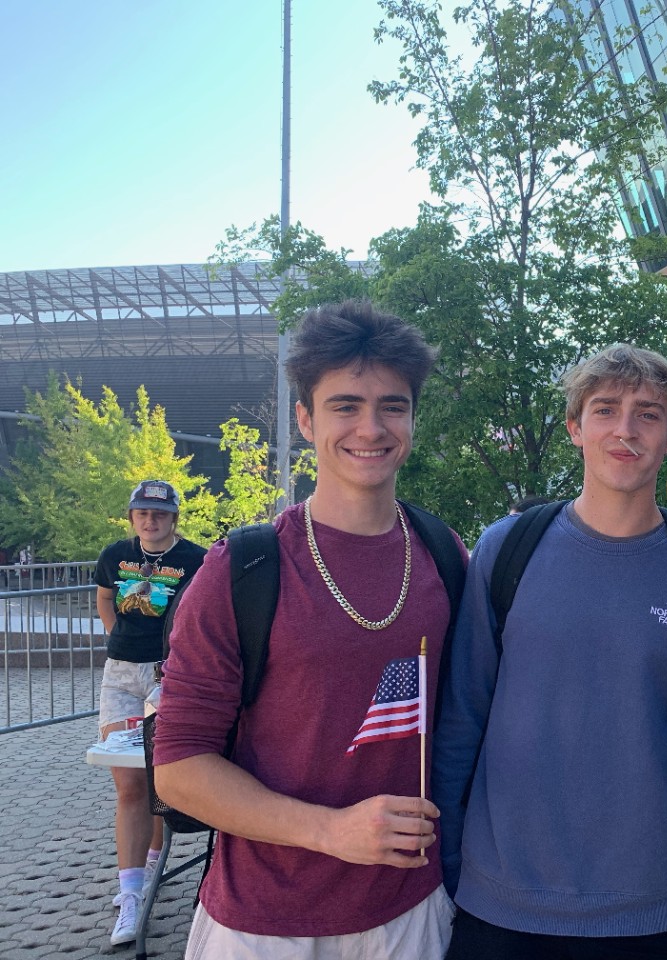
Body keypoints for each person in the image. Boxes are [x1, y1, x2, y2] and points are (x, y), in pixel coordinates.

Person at [152, 300, 465, 959]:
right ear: (305, 417)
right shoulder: (243, 568)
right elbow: (178, 768)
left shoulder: (445, 554)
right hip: (264, 925)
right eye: (345, 405)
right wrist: (330, 832)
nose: (371, 428)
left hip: (411, 912)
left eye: (393, 406)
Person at [433, 343, 667, 959]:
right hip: (497, 899)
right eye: (606, 409)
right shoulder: (509, 548)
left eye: (649, 414)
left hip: (645, 907)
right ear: (575, 428)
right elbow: (460, 722)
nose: (626, 430)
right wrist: (446, 866)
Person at [93, 480, 206, 946]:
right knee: (129, 783)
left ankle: (155, 858)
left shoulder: (196, 559)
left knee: (162, 776)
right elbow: (104, 597)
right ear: (131, 516)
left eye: (159, 514)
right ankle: (130, 894)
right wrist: (119, 637)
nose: (150, 520)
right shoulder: (114, 554)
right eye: (142, 513)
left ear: (173, 517)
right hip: (120, 675)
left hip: (169, 675)